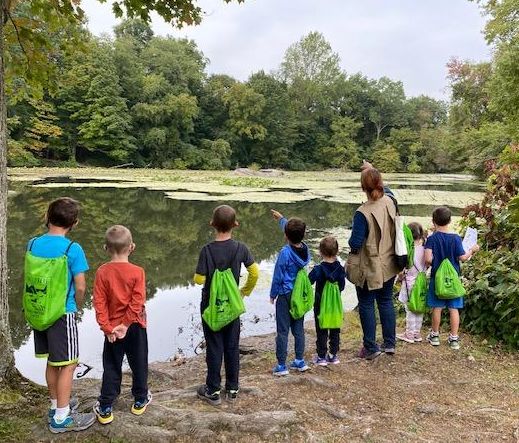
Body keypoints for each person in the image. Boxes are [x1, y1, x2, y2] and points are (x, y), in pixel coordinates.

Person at [26, 197, 95, 433]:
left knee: (52, 360)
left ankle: (56, 404)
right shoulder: (72, 249)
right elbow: (81, 286)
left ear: (47, 217)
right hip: (61, 313)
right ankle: (62, 418)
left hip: (39, 310)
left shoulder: (32, 244)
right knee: (68, 363)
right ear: (74, 223)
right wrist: (77, 304)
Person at [194, 205, 259, 405]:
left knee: (214, 347)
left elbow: (198, 279)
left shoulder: (206, 250)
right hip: (232, 306)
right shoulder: (241, 248)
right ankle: (232, 388)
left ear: (212, 224)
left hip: (211, 307)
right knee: (232, 347)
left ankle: (213, 390)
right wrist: (243, 292)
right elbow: (254, 273)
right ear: (235, 225)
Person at [92, 225, 150, 424]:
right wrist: (126, 324)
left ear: (106, 248)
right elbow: (138, 301)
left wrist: (107, 327)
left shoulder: (102, 272)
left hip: (112, 329)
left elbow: (98, 302)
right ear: (132, 247)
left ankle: (106, 406)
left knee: (112, 366)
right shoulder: (138, 272)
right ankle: (140, 399)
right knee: (139, 363)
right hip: (134, 326)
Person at [347, 168, 399, 360]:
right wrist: (371, 168)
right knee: (386, 301)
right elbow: (388, 190)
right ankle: (390, 343)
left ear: (363, 188)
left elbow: (355, 243)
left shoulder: (362, 213)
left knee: (367, 303)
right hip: (390, 262)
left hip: (370, 266)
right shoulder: (390, 201)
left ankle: (370, 347)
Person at [424, 206, 479, 350]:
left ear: (433, 221)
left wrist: (436, 260)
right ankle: (454, 339)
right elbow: (463, 258)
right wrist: (472, 250)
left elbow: (428, 259)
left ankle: (435, 336)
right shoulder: (455, 238)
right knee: (454, 308)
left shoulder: (432, 238)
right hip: (453, 280)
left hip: (437, 279)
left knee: (437, 307)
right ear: (450, 220)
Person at [270, 209, 311, 376]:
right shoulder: (305, 250)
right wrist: (282, 220)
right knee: (299, 328)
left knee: (282, 330)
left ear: (286, 235)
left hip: (286, 295)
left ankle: (281, 365)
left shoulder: (285, 253)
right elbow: (292, 232)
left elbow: (278, 276)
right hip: (298, 295)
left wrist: (273, 294)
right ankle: (300, 361)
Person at [309, 236, 346, 366]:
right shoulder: (341, 269)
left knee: (321, 329)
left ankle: (321, 357)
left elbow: (309, 282)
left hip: (320, 305)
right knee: (335, 328)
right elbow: (342, 286)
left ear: (320, 252)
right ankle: (333, 355)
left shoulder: (318, 269)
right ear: (337, 251)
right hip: (335, 305)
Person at [396, 222, 428, 343]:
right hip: (422, 282)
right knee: (419, 307)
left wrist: (399, 277)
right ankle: (417, 333)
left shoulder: (409, 250)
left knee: (409, 308)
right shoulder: (425, 249)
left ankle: (409, 334)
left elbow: (403, 270)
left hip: (410, 282)